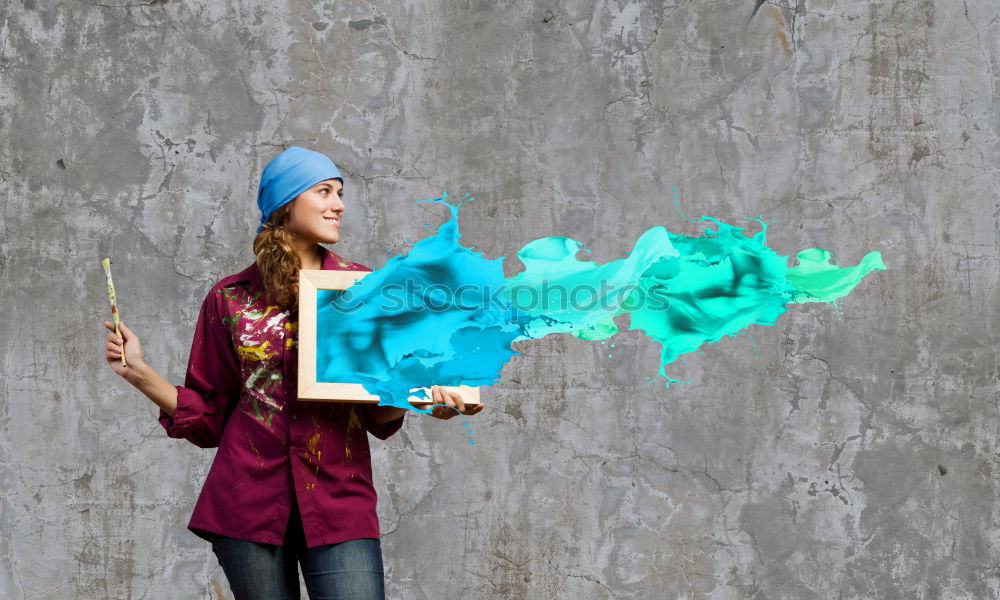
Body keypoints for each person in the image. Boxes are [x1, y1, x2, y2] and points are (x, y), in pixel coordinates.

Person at [102, 146, 483, 600]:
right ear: (285, 203)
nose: (338, 204)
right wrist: (140, 374)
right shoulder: (229, 299)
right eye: (323, 191)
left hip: (339, 499)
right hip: (246, 505)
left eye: (339, 193)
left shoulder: (366, 293)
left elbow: (375, 411)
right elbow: (209, 421)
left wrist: (421, 397)